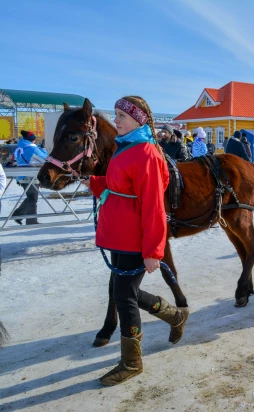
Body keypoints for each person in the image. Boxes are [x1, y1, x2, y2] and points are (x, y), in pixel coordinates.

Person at [82, 96, 188, 386]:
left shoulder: (146, 154)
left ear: (139, 120)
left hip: (134, 239)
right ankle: (174, 317)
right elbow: (117, 187)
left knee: (124, 295)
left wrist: (154, 250)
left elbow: (154, 205)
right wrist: (90, 180)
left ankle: (131, 363)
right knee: (124, 291)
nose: (116, 120)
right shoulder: (124, 147)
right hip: (118, 234)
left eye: (121, 116)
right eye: (116, 114)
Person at [13, 130, 49, 225]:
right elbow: (46, 159)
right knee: (33, 198)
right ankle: (30, 220)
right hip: (30, 176)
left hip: (21, 176)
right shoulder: (32, 148)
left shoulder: (20, 147)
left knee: (31, 197)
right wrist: (43, 149)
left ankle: (19, 215)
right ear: (33, 139)